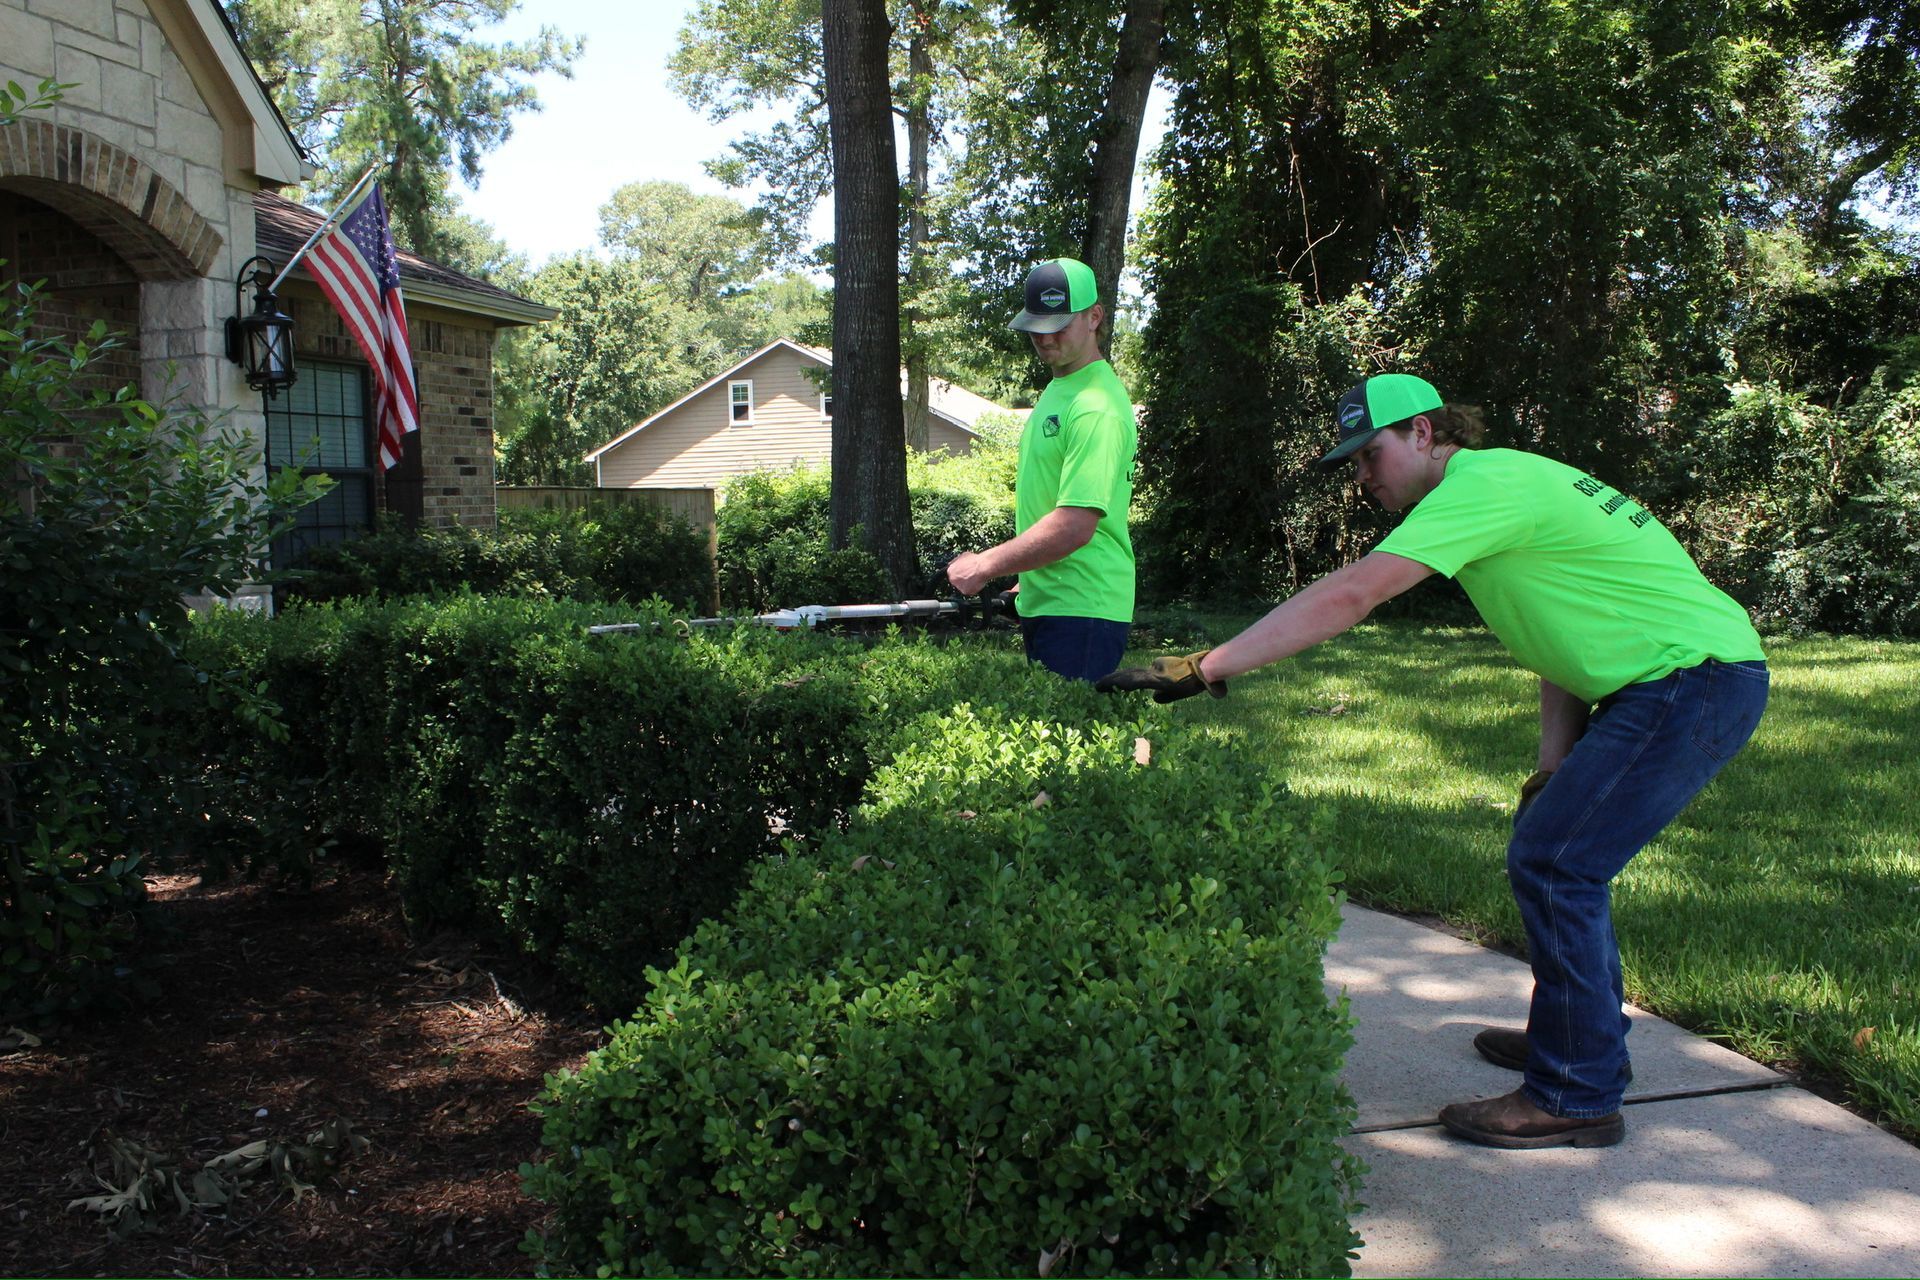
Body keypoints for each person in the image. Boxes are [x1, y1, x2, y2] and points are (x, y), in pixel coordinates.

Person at [1097, 373, 1768, 1149]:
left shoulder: (1479, 489)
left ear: (1422, 432)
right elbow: (1564, 636)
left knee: (1558, 864)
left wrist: (1208, 665)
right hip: (1676, 681)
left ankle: (1577, 1091)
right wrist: (1552, 767)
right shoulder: (1511, 479)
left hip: (1691, 684)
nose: (1362, 476)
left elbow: (1353, 594)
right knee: (1559, 851)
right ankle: (1574, 1033)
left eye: (1370, 454)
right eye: (1351, 462)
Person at [946, 257, 1137, 681]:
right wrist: (1026, 581)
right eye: (1037, 326)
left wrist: (984, 565)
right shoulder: (1061, 389)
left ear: (1094, 317)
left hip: (1083, 605)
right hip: (1055, 601)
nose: (1044, 338)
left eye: (1059, 326)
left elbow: (1075, 525)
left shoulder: (1096, 406)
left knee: (1074, 744)